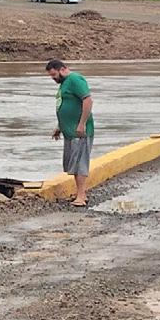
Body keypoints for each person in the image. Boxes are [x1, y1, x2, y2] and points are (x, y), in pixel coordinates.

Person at [47, 56, 94, 207]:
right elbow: (65, 105)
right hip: (69, 132)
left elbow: (88, 100)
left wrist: (82, 124)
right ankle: (81, 193)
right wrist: (59, 127)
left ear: (62, 69)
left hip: (79, 131)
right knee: (73, 163)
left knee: (80, 163)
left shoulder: (75, 79)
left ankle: (81, 196)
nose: (53, 78)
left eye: (54, 75)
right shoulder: (64, 84)